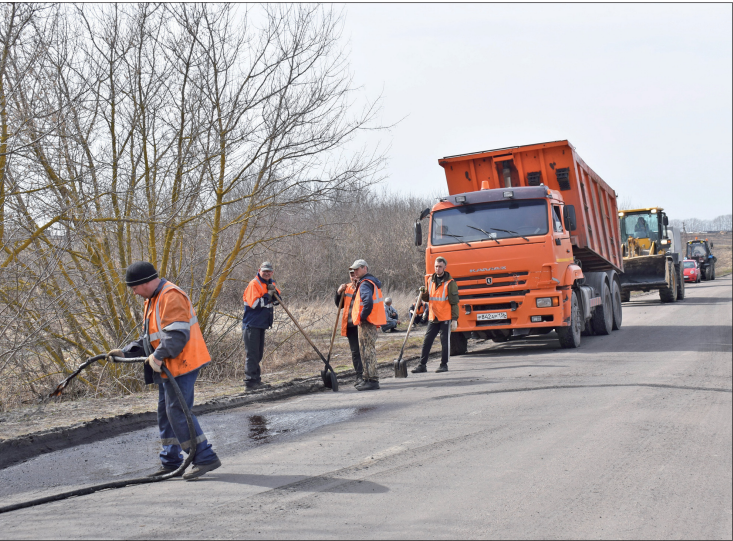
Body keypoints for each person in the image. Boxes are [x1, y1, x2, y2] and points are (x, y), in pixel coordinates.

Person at [108, 261, 221, 480]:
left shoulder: (171, 296)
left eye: (135, 287)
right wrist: (126, 352)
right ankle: (171, 461)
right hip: (170, 364)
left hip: (183, 363)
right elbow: (152, 339)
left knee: (177, 411)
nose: (133, 292)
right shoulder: (152, 300)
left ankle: (204, 457)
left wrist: (158, 356)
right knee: (166, 412)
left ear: (146, 282)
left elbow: (176, 336)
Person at [411, 256, 459, 374]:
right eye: (436, 266)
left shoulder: (450, 283)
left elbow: (454, 302)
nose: (437, 269)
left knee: (444, 342)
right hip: (433, 316)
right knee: (427, 341)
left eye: (440, 267)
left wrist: (454, 319)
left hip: (445, 317)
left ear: (444, 267)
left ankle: (444, 364)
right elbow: (428, 298)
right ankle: (422, 365)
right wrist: (423, 293)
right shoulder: (430, 280)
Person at [241, 262, 280, 390]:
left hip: (261, 324)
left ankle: (256, 380)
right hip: (251, 324)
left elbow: (277, 301)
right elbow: (255, 304)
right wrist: (269, 295)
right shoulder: (254, 284)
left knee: (258, 354)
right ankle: (250, 382)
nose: (267, 273)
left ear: (272, 272)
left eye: (269, 271)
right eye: (265, 271)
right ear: (259, 270)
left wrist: (274, 295)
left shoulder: (270, 283)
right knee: (252, 354)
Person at [349, 259, 386, 391]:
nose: (355, 272)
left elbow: (368, 303)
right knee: (366, 350)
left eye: (357, 269)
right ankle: (368, 378)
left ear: (365, 268)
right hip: (371, 321)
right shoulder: (370, 282)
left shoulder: (365, 283)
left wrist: (362, 317)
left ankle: (372, 380)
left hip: (367, 322)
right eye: (354, 270)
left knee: (367, 351)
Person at [335, 270, 364, 386]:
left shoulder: (365, 285)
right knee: (355, 351)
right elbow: (339, 305)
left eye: (355, 273)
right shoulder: (346, 288)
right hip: (351, 325)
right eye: (351, 274)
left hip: (363, 324)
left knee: (365, 351)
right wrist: (338, 292)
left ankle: (369, 375)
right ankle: (359, 376)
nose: (354, 276)